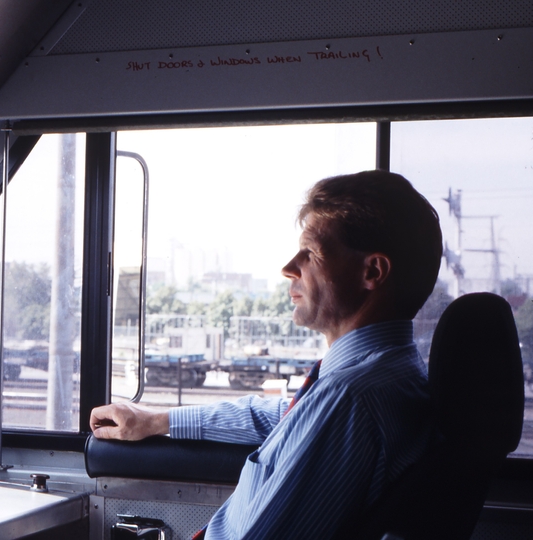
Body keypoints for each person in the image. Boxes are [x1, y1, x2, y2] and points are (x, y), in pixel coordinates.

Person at [89, 170, 443, 539]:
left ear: (372, 270)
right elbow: (278, 415)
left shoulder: (349, 397)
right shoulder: (388, 373)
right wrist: (156, 421)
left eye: (311, 253)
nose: (289, 268)